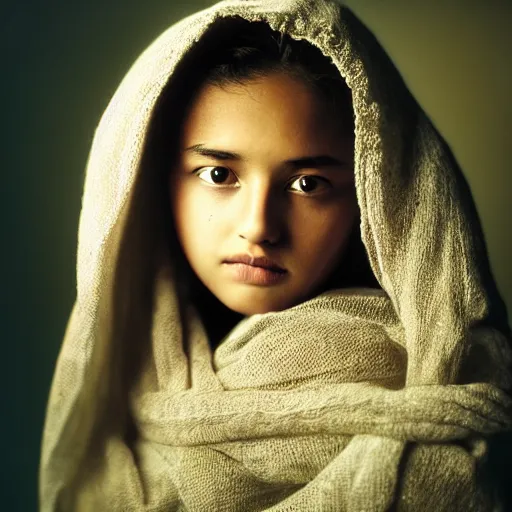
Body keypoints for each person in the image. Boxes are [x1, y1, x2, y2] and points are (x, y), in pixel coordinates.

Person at [40, 1, 512, 510]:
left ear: (377, 195)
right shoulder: (118, 397)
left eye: (309, 184)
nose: (260, 227)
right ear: (153, 179)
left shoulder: (445, 388)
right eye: (219, 175)